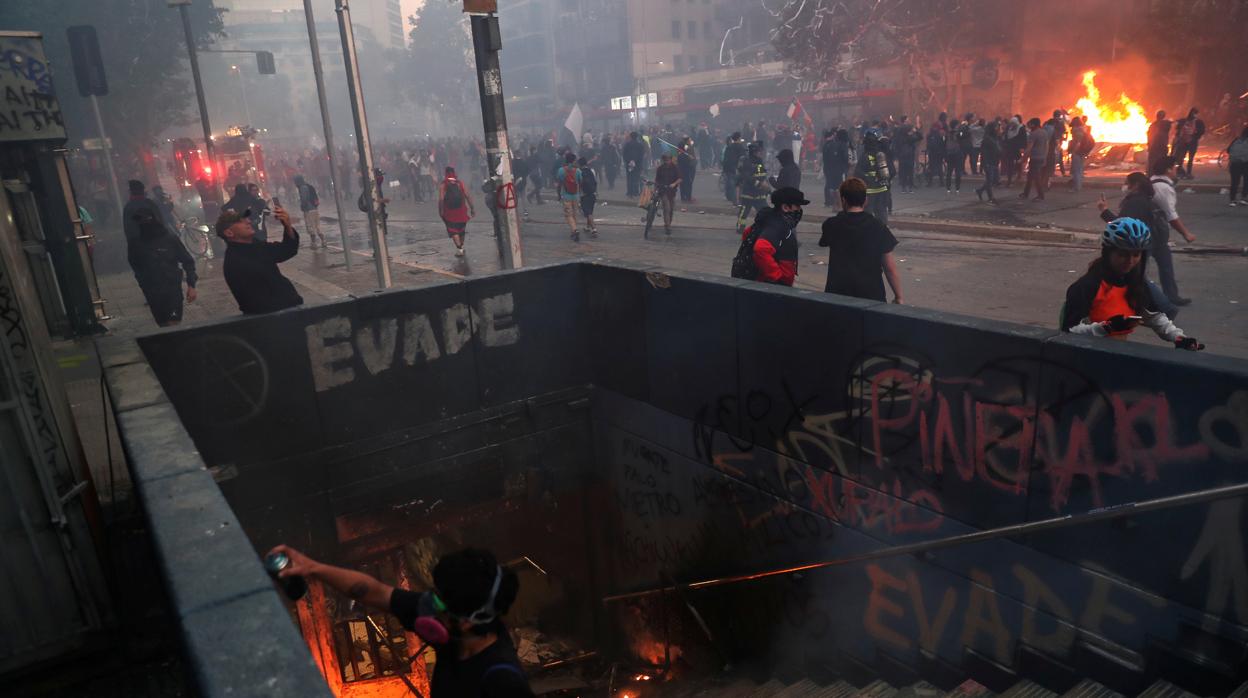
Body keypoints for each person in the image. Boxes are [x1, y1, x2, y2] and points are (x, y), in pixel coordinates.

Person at [265, 545, 534, 697]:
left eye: (438, 601)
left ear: (467, 621)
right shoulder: (455, 636)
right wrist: (313, 568)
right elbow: (375, 592)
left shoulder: (503, 683)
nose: (428, 604)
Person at [1062, 217, 1204, 351]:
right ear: (1107, 253)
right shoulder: (1088, 286)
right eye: (1122, 254)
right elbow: (1069, 330)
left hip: (1119, 355)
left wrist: (1178, 338)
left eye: (1136, 255)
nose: (1130, 261)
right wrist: (1106, 328)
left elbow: (1153, 316)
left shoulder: (1135, 283)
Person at [818, 178, 903, 303]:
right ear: (866, 201)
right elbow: (889, 268)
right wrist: (898, 296)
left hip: (837, 295)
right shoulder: (878, 227)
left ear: (843, 200)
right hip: (871, 296)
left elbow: (824, 241)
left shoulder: (831, 225)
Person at [217, 204, 303, 315]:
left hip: (287, 312)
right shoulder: (236, 260)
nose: (248, 221)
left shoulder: (254, 245)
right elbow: (256, 302)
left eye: (246, 219)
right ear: (229, 233)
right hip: (275, 320)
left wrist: (287, 226)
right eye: (240, 221)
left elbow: (286, 250)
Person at [129, 208, 198, 326]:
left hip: (172, 289)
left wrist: (191, 285)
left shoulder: (169, 239)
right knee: (163, 324)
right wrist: (143, 284)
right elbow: (136, 266)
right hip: (152, 292)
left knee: (173, 323)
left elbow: (188, 261)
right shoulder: (136, 244)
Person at [1146, 156, 1196, 306]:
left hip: (1152, 231)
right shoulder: (1163, 188)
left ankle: (1172, 296)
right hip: (1154, 232)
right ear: (1168, 169)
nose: (1176, 170)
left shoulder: (1152, 182)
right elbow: (1170, 215)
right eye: (1174, 167)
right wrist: (1186, 233)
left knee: (1165, 264)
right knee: (1152, 266)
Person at [743, 187, 806, 286]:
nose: (799, 210)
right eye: (797, 206)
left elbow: (747, 233)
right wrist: (777, 277)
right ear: (785, 207)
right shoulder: (779, 225)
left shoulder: (768, 218)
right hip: (772, 285)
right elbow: (760, 248)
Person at [855, 129, 892, 225]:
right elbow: (891, 171)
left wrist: (868, 179)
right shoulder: (882, 155)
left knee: (867, 214)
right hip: (882, 188)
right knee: (881, 212)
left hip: (870, 191)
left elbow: (857, 172)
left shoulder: (865, 156)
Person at [439, 166, 475, 256]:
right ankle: (461, 247)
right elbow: (468, 196)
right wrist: (472, 208)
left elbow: (441, 199)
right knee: (461, 230)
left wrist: (441, 211)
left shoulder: (443, 185)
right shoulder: (460, 183)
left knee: (453, 230)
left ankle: (459, 248)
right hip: (462, 211)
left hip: (450, 212)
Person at [735, 141, 769, 232]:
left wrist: (766, 185)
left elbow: (762, 174)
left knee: (765, 212)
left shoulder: (759, 161)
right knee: (744, 212)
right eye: (758, 152)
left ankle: (766, 228)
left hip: (759, 193)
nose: (760, 153)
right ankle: (740, 227)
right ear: (753, 152)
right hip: (749, 193)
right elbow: (747, 177)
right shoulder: (747, 161)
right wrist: (759, 183)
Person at [555, 152, 585, 241]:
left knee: (568, 215)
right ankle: (573, 231)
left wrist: (559, 194)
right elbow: (581, 182)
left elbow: (559, 184)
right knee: (574, 214)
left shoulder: (561, 170)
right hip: (576, 196)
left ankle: (575, 230)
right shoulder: (578, 171)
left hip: (566, 196)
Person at [1020, 118, 1050, 201]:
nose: (1028, 126)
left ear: (1033, 124)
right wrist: (1045, 156)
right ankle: (1025, 193)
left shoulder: (1033, 134)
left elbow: (1029, 148)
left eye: (1030, 124)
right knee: (1030, 176)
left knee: (1036, 177)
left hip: (1035, 158)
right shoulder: (1044, 132)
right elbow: (1047, 146)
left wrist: (1023, 158)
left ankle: (1040, 196)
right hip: (1041, 157)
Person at [1171, 107, 1205, 179]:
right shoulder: (1199, 122)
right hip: (1192, 143)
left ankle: (1180, 172)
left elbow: (1177, 129)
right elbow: (1202, 131)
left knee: (1182, 157)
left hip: (1184, 142)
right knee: (1190, 158)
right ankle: (1188, 173)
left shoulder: (1184, 121)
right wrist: (1196, 136)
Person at [653, 153, 682, 236]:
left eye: (668, 160)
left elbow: (680, 178)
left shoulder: (675, 168)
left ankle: (668, 223)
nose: (667, 162)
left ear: (671, 159)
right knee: (667, 208)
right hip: (663, 190)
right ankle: (667, 226)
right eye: (665, 160)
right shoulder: (660, 169)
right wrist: (655, 189)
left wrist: (674, 184)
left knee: (671, 209)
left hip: (672, 191)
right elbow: (657, 180)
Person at [293, 175, 324, 249]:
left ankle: (314, 244)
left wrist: (302, 206)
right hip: (314, 209)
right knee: (318, 227)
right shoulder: (308, 186)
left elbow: (304, 199)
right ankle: (324, 241)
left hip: (308, 210)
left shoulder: (302, 188)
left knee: (310, 227)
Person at [975, 122, 1002, 204]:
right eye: (996, 127)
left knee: (994, 180)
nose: (998, 129)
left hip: (995, 161)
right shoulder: (987, 139)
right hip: (989, 162)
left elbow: (998, 148)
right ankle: (991, 198)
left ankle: (980, 190)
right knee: (989, 180)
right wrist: (985, 163)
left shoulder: (996, 138)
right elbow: (983, 152)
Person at [893, 117, 919, 194]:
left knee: (903, 171)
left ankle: (903, 188)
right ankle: (910, 187)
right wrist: (915, 131)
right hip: (909, 155)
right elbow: (920, 137)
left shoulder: (899, 136)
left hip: (902, 156)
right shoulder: (911, 137)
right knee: (910, 171)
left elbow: (896, 145)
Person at [1225, 125, 1248, 206]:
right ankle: (1244, 198)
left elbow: (1228, 150)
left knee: (1234, 182)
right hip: (1246, 163)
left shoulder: (1237, 139)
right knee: (1246, 181)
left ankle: (1232, 200)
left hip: (1234, 164)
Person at [577, 157, 599, 237]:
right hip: (592, 194)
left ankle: (594, 229)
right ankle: (587, 227)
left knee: (588, 212)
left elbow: (579, 184)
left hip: (584, 195)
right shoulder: (592, 170)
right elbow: (595, 182)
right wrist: (596, 192)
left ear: (579, 164)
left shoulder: (579, 172)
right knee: (590, 212)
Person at [722, 133, 746, 204]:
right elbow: (743, 158)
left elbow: (725, 158)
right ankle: (737, 201)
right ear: (738, 138)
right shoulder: (740, 147)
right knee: (737, 185)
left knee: (729, 183)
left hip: (728, 168)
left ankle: (730, 197)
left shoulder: (729, 147)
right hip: (736, 168)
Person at [622, 132, 645, 197]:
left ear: (630, 137)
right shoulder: (640, 145)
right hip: (638, 164)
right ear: (637, 137)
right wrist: (637, 161)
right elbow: (641, 155)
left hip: (629, 164)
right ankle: (636, 192)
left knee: (629, 178)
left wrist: (629, 161)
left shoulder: (627, 144)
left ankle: (630, 192)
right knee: (636, 178)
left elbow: (624, 154)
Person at [676, 138, 698, 203]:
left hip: (682, 170)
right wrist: (691, 158)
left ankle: (684, 197)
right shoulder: (684, 153)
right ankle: (688, 197)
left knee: (683, 183)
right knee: (688, 183)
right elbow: (688, 161)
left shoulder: (681, 153)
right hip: (687, 170)